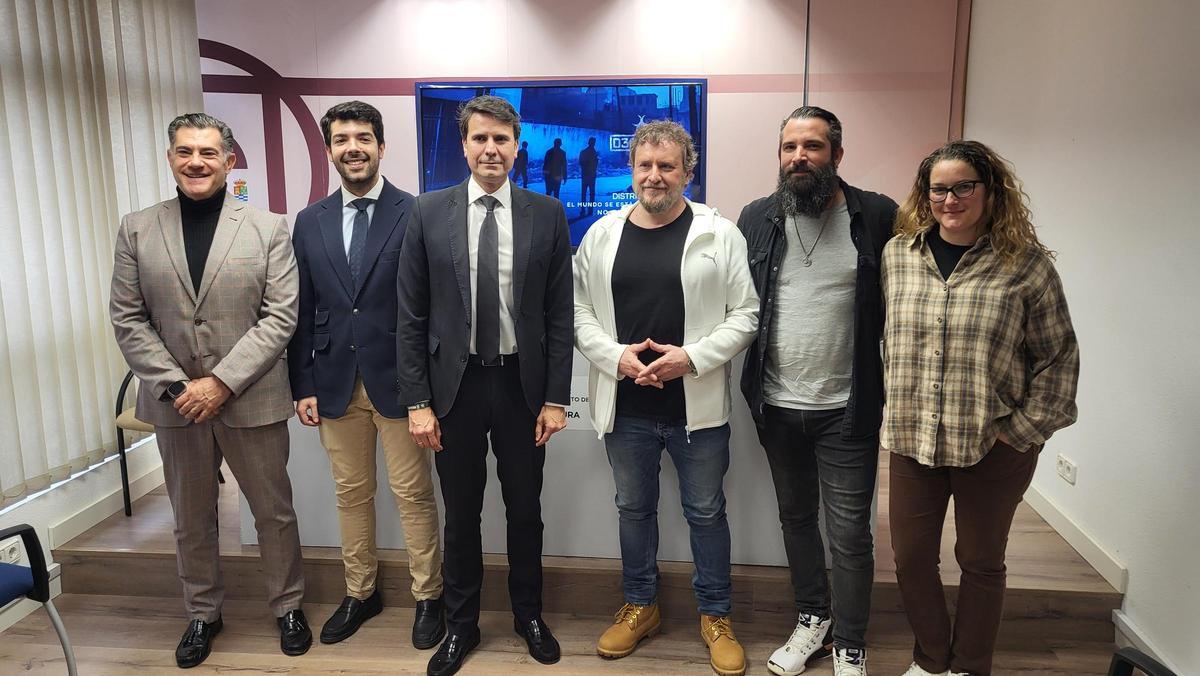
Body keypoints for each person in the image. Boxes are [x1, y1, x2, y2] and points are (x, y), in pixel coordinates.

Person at [109, 113, 310, 668]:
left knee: (274, 513)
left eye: (206, 152)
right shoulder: (136, 228)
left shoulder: (268, 228)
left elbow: (280, 316)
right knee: (190, 518)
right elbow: (128, 319)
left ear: (230, 160)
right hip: (178, 407)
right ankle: (202, 613)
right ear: (170, 158)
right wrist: (180, 387)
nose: (195, 162)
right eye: (183, 152)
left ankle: (288, 606)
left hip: (252, 398)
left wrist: (220, 382)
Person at [884, 140, 1079, 676]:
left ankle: (970, 666)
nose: (950, 198)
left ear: (990, 192)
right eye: (939, 188)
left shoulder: (1026, 267)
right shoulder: (898, 256)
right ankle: (930, 659)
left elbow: (1059, 358)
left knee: (980, 562)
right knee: (911, 560)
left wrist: (1019, 431)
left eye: (963, 186)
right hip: (912, 441)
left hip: (993, 445)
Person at [396, 95, 574, 676]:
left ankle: (529, 616)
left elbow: (558, 315)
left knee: (526, 510)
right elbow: (411, 316)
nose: (491, 149)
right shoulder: (427, 212)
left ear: (517, 146)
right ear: (464, 145)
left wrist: (555, 397)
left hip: (522, 387)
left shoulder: (546, 213)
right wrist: (418, 403)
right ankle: (462, 625)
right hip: (457, 390)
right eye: (480, 139)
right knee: (462, 513)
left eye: (501, 139)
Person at [574, 120, 758, 676]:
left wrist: (691, 358)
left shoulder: (719, 233)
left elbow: (746, 314)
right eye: (645, 166)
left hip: (695, 410)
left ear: (687, 172)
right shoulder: (601, 234)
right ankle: (640, 606)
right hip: (626, 406)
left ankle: (716, 616)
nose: (654, 177)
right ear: (632, 170)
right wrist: (616, 358)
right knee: (633, 510)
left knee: (705, 512)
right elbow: (579, 312)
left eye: (667, 166)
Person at [738, 106, 895, 676]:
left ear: (836, 155)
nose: (799, 157)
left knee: (850, 534)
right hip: (775, 405)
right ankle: (813, 618)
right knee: (796, 518)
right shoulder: (757, 218)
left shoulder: (876, 215)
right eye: (789, 148)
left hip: (847, 410)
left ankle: (851, 641)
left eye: (813, 147)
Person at [287, 101, 444, 649]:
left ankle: (429, 596)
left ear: (381, 146)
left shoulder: (417, 211)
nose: (352, 147)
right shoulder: (310, 221)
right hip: (332, 381)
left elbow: (429, 304)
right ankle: (361, 591)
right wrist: (301, 383)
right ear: (329, 149)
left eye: (362, 137)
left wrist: (425, 387)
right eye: (340, 139)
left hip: (400, 381)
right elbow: (301, 308)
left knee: (412, 494)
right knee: (351, 493)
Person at [579, 136, 599, 215]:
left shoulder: (584, 152)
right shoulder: (594, 153)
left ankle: (583, 210)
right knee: (591, 193)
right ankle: (590, 210)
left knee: (584, 193)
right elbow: (595, 164)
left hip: (586, 175)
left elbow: (581, 163)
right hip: (591, 175)